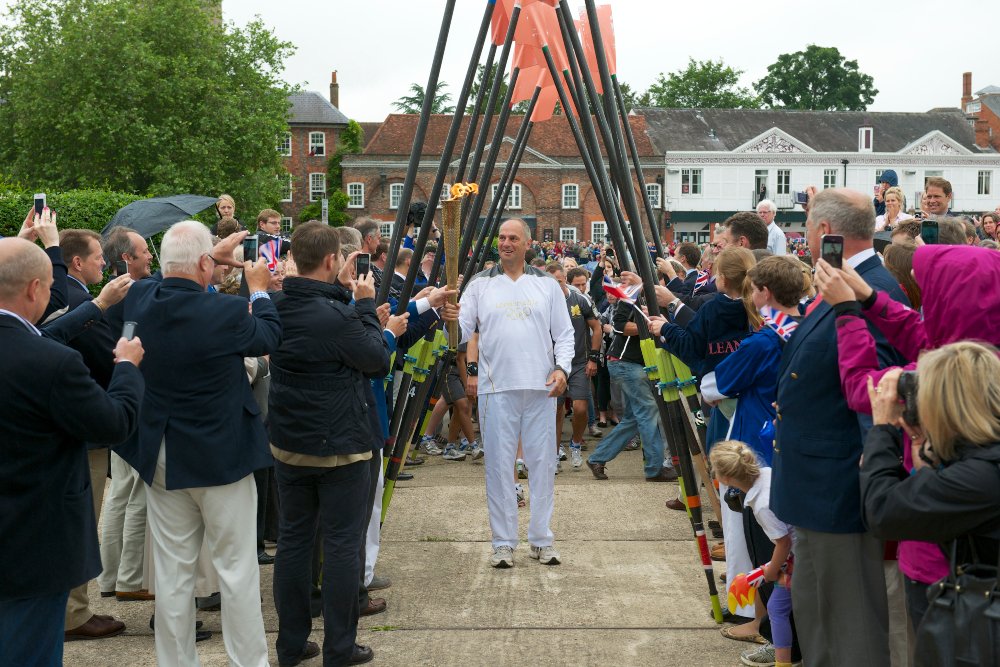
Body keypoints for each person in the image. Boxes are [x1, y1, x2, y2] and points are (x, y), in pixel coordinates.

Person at [114, 221, 280, 666]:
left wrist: (212, 255)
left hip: (163, 453)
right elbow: (268, 336)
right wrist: (259, 290)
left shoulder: (140, 297)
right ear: (206, 264)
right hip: (220, 454)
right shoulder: (225, 313)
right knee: (236, 569)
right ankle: (250, 662)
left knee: (173, 573)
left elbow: (154, 281)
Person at [771, 188, 909, 666]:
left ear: (825, 232)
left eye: (807, 226)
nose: (805, 237)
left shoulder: (874, 288)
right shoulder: (844, 281)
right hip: (817, 482)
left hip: (841, 487)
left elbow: (880, 395)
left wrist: (875, 480)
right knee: (820, 613)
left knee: (848, 623)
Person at [0, 237, 144, 666]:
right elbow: (113, 423)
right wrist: (125, 369)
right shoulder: (51, 362)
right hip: (34, 541)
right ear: (33, 290)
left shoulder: (39, 351)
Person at [268, 221, 387, 666]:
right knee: (340, 545)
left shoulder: (275, 307)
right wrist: (365, 304)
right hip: (341, 444)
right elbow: (375, 359)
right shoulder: (339, 317)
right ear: (332, 260)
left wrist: (344, 298)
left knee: (294, 542)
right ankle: (339, 647)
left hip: (289, 442)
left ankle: (292, 643)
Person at [445, 218, 574, 568]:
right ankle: (503, 542)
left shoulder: (546, 285)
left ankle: (541, 539)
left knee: (542, 465)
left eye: (513, 238)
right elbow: (462, 330)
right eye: (502, 237)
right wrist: (450, 315)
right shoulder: (479, 285)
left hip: (541, 387)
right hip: (495, 387)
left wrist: (562, 369)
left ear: (527, 243)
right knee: (499, 467)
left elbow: (564, 334)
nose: (506, 243)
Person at [861, 343, 1000, 639]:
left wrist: (882, 430)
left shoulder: (981, 477)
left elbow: (883, 512)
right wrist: (927, 454)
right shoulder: (984, 458)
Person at [711, 440, 797, 667]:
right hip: (801, 554)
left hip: (797, 560)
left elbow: (784, 543)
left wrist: (768, 571)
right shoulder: (767, 473)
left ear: (726, 478)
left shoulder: (761, 506)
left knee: (777, 609)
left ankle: (784, 662)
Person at [545, 263, 601, 470]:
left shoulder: (579, 300)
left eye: (558, 282)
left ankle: (575, 443)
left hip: (578, 362)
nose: (554, 286)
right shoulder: (544, 302)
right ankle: (554, 453)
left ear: (565, 280)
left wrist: (593, 358)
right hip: (553, 365)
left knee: (580, 408)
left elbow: (596, 328)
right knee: (555, 410)